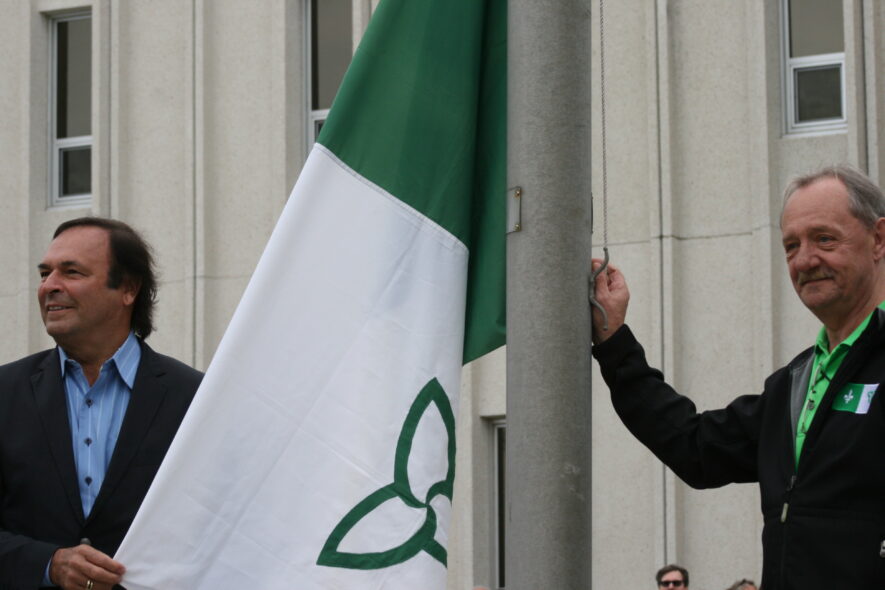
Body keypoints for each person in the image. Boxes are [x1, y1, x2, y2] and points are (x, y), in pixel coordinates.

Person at [590, 165, 885, 589]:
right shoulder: (794, 384)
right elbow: (694, 446)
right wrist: (614, 340)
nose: (805, 259)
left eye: (824, 238)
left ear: (878, 239)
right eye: (790, 245)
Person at [0, 218, 202, 590]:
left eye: (71, 272)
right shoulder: (5, 393)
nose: (49, 286)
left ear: (127, 288)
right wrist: (49, 564)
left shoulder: (195, 399)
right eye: (45, 273)